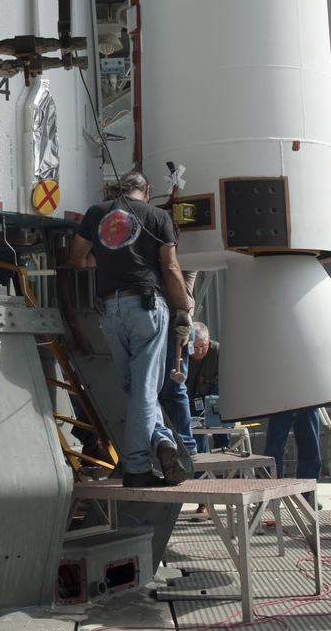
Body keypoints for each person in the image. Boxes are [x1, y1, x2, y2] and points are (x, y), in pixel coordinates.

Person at [70, 170, 194, 487]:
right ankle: (137, 467)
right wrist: (183, 309)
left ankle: (163, 442)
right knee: (145, 390)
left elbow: (76, 258)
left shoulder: (97, 214)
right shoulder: (157, 217)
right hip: (147, 307)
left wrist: (104, 264)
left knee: (133, 388)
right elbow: (170, 266)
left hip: (110, 311)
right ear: (147, 190)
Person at [158, 318, 198, 458]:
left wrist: (183, 318)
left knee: (174, 390)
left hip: (175, 325)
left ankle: (185, 444)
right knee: (168, 392)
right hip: (173, 324)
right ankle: (179, 443)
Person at [264, 408, 321, 480]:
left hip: (306, 403)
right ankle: (272, 486)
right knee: (274, 453)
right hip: (283, 403)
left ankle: (308, 488)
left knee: (310, 451)